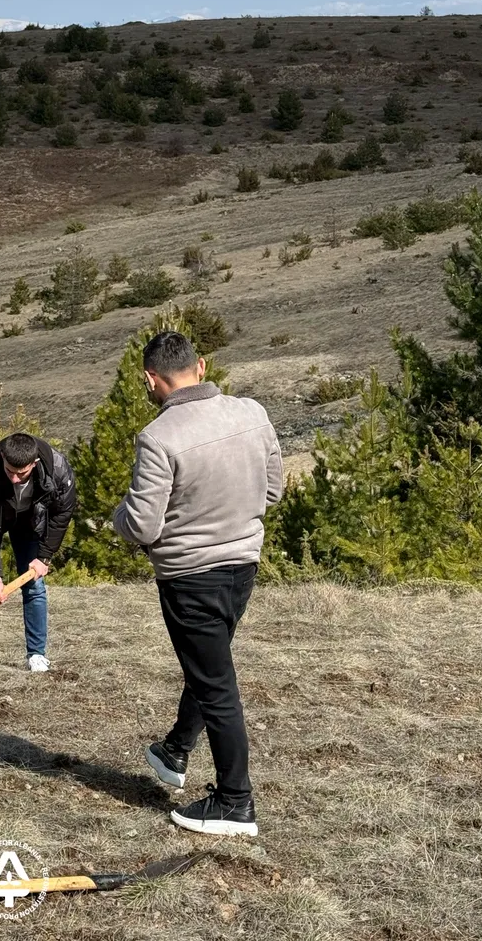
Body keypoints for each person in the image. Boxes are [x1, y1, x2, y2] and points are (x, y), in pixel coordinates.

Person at [113, 331, 282, 837]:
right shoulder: (252, 412)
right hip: (243, 566)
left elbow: (142, 525)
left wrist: (116, 517)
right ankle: (175, 750)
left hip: (190, 576)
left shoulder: (159, 438)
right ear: (201, 366)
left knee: (217, 686)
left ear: (150, 379)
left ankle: (235, 802)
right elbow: (273, 489)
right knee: (209, 668)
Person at [0, 432, 76, 679]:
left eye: (21, 473)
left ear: (34, 464)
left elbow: (62, 514)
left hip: (31, 520)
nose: (14, 478)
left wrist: (44, 557)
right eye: (9, 470)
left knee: (34, 583)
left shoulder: (57, 468)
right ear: (2, 457)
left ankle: (36, 654)